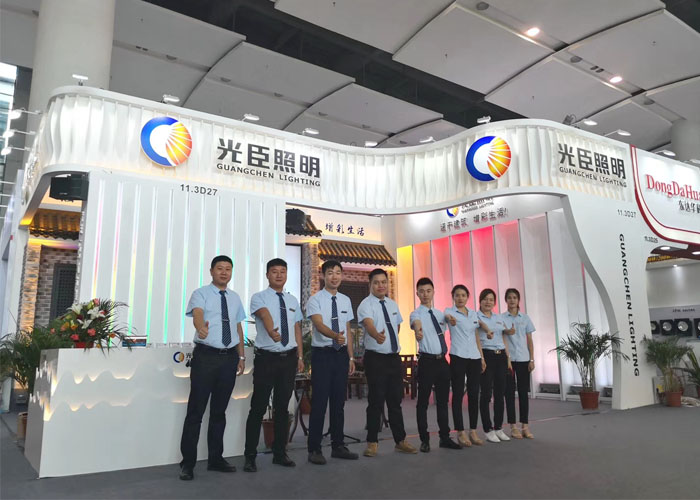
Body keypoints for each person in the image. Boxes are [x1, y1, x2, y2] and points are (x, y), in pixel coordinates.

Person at [179, 255, 246, 481]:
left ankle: (216, 459)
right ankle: (187, 463)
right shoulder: (201, 293)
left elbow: (237, 327)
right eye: (220, 268)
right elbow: (197, 314)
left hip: (229, 359)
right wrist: (201, 328)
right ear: (211, 271)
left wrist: (241, 356)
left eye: (228, 269)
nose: (224, 272)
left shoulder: (235, 298)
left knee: (219, 412)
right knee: (195, 412)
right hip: (206, 357)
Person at [243, 258, 304, 472]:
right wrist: (271, 331)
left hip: (288, 359)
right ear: (267, 275)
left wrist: (300, 357)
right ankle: (250, 456)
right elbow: (265, 314)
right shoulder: (259, 297)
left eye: (283, 271)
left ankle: (280, 453)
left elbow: (296, 328)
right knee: (258, 407)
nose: (279, 275)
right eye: (274, 271)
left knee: (282, 408)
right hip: (266, 359)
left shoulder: (292, 300)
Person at [357, 268, 417, 457]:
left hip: (393, 358)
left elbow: (396, 326)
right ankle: (372, 442)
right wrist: (376, 335)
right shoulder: (365, 304)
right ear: (370, 284)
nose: (381, 285)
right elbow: (368, 324)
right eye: (376, 282)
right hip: (376, 358)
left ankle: (400, 440)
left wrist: (389, 342)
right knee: (376, 401)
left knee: (395, 401)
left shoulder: (392, 304)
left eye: (384, 282)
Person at [306, 260, 359, 464]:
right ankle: (314, 449)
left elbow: (348, 330)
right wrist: (335, 336)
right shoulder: (315, 300)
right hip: (322, 355)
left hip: (341, 356)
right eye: (330, 273)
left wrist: (351, 356)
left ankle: (338, 446)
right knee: (319, 403)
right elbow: (319, 325)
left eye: (338, 273)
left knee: (339, 403)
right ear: (323, 276)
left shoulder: (345, 300)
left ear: (341, 276)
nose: (334, 276)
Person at [409, 278, 461, 452]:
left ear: (433, 292)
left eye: (428, 291)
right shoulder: (416, 314)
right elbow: (416, 324)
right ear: (417, 293)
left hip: (442, 362)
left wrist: (451, 319)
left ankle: (444, 437)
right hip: (426, 362)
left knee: (443, 402)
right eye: (422, 291)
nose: (425, 294)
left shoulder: (440, 314)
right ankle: (424, 440)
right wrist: (418, 331)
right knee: (423, 401)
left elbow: (449, 319)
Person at [444, 284, 487, 448]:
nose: (460, 298)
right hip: (458, 356)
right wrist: (450, 319)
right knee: (457, 394)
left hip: (474, 357)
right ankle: (460, 431)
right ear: (453, 297)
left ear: (467, 297)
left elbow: (476, 335)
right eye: (457, 295)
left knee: (474, 394)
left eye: (463, 295)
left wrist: (482, 357)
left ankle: (473, 430)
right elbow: (446, 317)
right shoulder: (449, 311)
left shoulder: (473, 314)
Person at [477, 288, 512, 444]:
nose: (488, 302)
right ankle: (488, 429)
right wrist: (481, 358)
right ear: (480, 301)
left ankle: (498, 427)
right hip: (487, 355)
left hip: (501, 356)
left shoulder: (498, 318)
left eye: (491, 299)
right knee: (486, 394)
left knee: (500, 393)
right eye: (485, 299)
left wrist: (508, 358)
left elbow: (503, 337)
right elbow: (476, 338)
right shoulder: (476, 316)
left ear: (494, 302)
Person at [501, 288, 536, 439]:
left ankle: (525, 426)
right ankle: (513, 426)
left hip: (523, 359)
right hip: (508, 360)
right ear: (506, 300)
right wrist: (507, 358)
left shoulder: (525, 318)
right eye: (509, 297)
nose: (512, 300)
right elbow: (501, 338)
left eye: (514, 297)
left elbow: (529, 340)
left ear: (518, 300)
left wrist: (532, 359)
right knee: (509, 393)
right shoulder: (501, 318)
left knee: (523, 393)